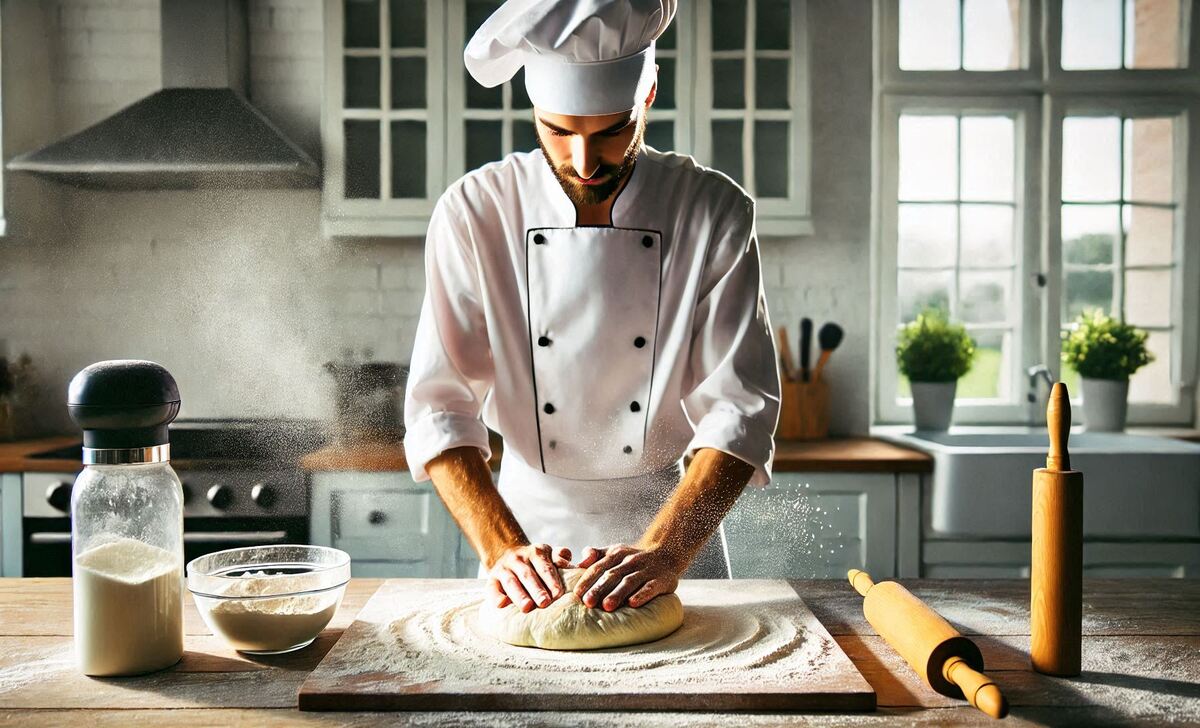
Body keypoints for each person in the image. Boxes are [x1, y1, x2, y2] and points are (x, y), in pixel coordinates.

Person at [403, 0, 780, 616]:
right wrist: (502, 550)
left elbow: (740, 408)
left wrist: (666, 550)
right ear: (533, 110)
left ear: (649, 93)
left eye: (610, 131)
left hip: (673, 533)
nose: (584, 162)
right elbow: (440, 408)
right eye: (558, 131)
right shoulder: (475, 211)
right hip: (525, 541)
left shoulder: (711, 210)